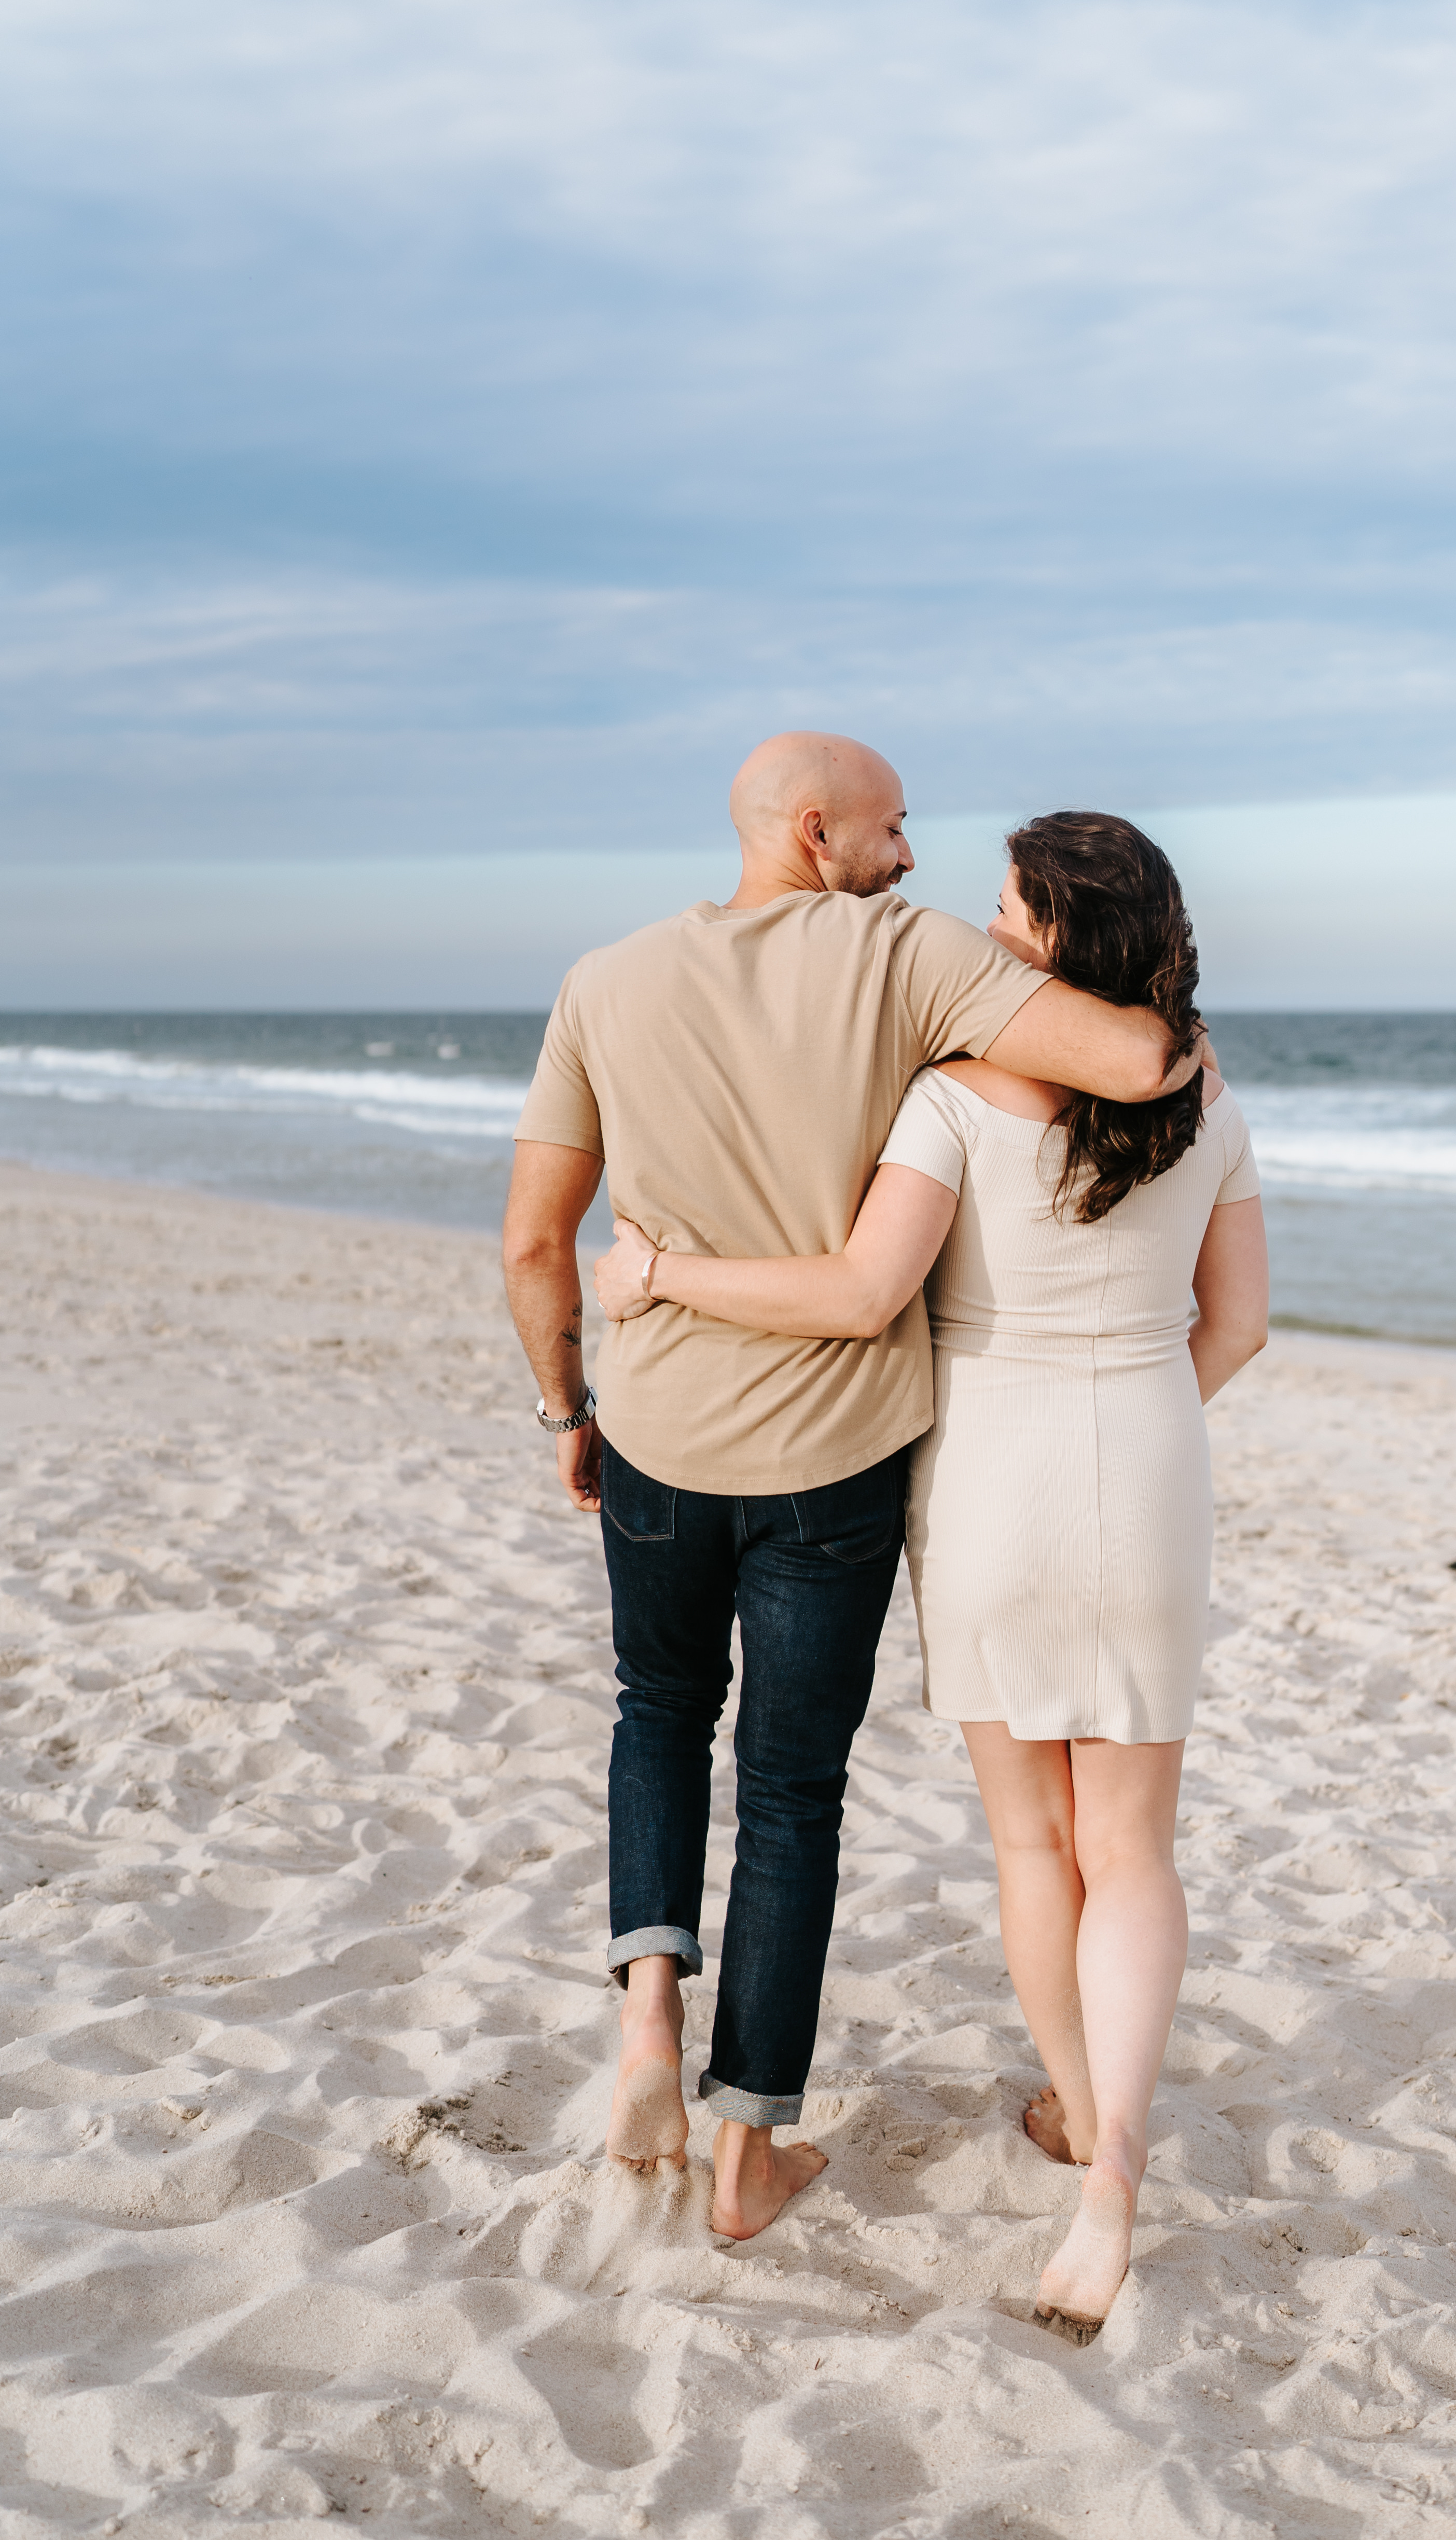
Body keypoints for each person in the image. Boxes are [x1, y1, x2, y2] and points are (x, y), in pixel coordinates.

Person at [501, 735, 1201, 2243]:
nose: (911, 854)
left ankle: (644, 2031)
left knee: (657, 1711)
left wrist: (568, 1400)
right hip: (832, 1463)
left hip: (660, 1432)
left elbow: (532, 1240)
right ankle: (750, 2157)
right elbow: (1138, 1068)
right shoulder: (914, 957)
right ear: (817, 832)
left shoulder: (603, 981)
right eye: (891, 829)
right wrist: (1183, 1036)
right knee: (794, 1795)